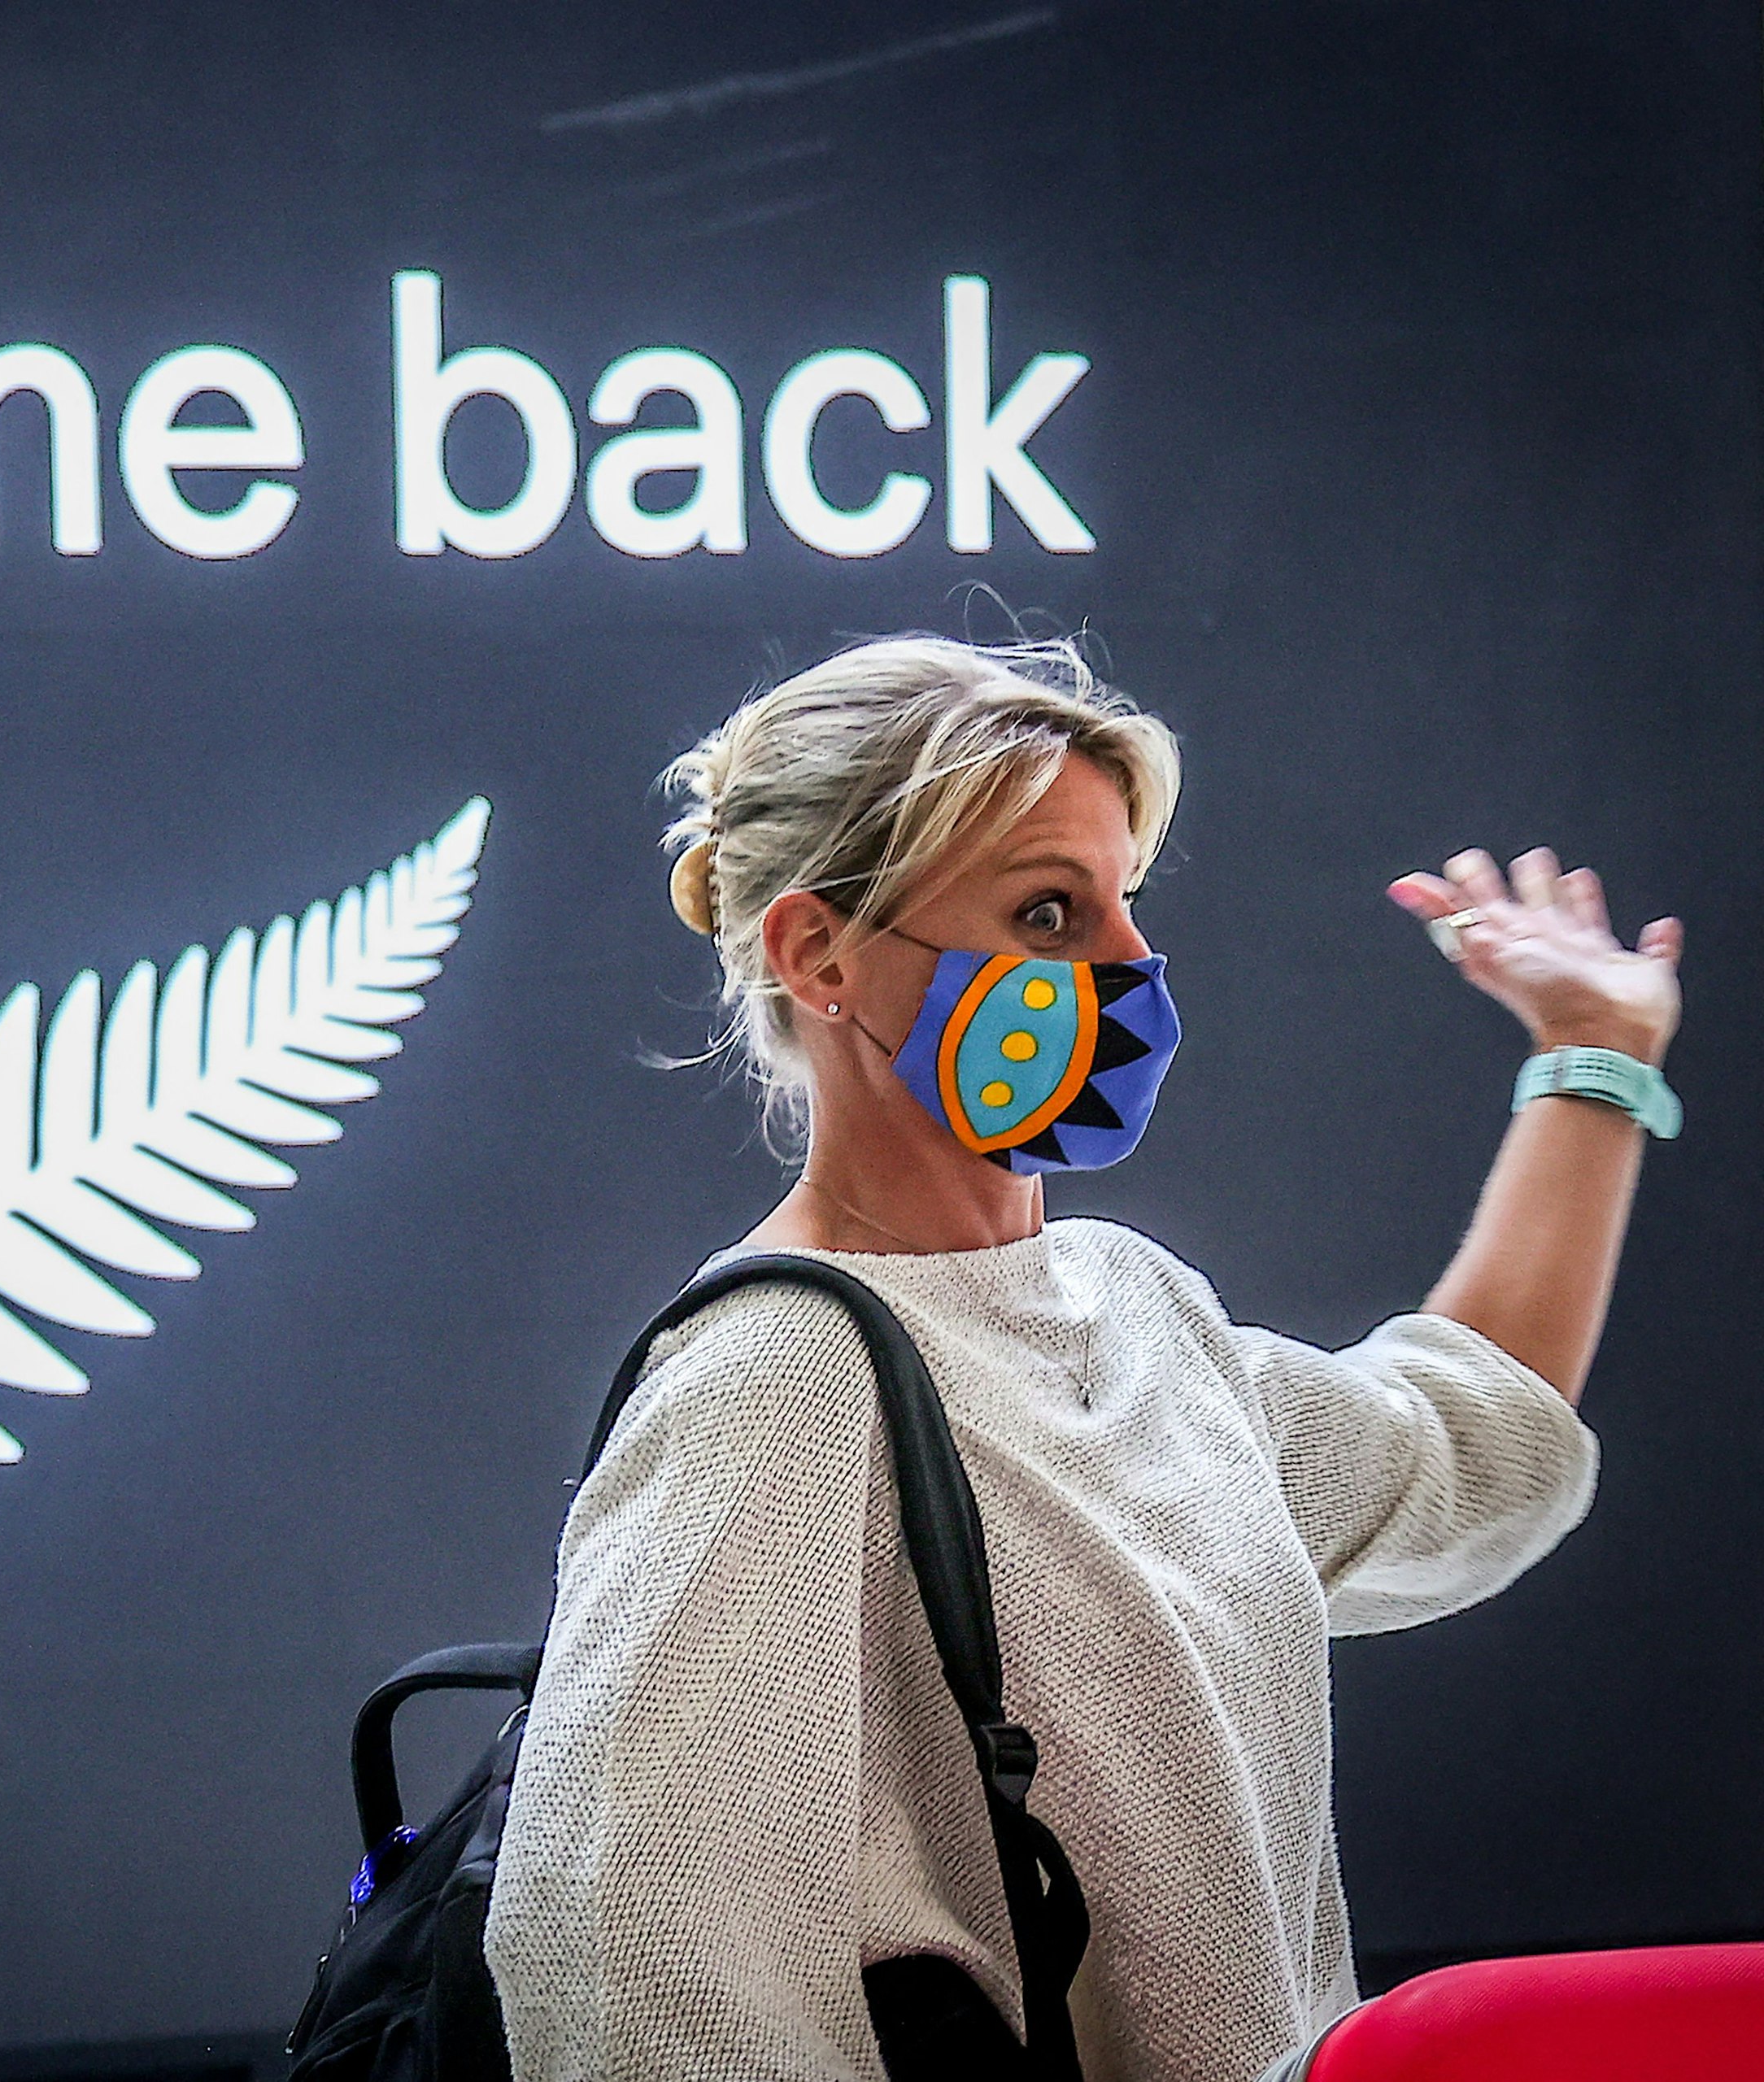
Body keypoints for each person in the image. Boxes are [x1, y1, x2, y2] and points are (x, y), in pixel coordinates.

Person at [481, 636, 1683, 2081]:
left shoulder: (1137, 1311)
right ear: (821, 957)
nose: (1130, 965)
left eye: (1126, 904)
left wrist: (1593, 1057)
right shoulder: (776, 1383)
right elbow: (633, 1978)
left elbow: (1467, 1453)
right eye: (1050, 912)